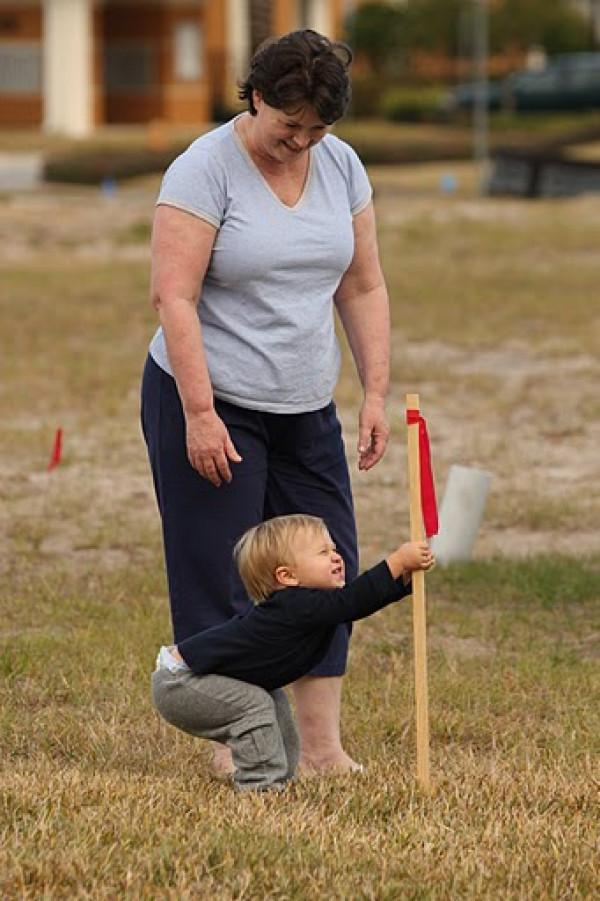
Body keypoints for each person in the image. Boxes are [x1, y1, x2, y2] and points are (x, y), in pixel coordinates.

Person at [141, 29, 392, 777]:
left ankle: (319, 749)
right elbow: (173, 297)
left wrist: (373, 390)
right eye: (291, 126)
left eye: (318, 129)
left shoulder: (341, 165)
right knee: (218, 568)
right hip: (210, 397)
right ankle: (235, 742)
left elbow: (363, 283)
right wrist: (198, 412)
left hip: (306, 405)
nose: (302, 142)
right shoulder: (203, 169)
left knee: (326, 567)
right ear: (257, 97)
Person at [152, 515, 435, 792]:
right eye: (323, 552)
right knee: (255, 705)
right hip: (181, 682)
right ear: (287, 576)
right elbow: (352, 602)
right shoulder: (294, 605)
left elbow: (352, 602)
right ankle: (260, 786)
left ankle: (282, 777)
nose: (336, 557)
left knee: (275, 704)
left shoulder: (310, 606)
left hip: (198, 678)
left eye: (334, 549)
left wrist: (404, 581)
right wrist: (397, 562)